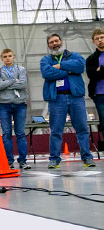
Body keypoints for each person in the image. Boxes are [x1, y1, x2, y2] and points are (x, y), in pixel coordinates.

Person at [40, 33, 95, 168]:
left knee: (82, 128)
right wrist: (68, 71)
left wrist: (59, 66)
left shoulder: (75, 55)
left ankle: (87, 157)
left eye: (56, 41)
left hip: (75, 97)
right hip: (57, 98)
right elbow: (46, 73)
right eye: (51, 42)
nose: (55, 44)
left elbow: (80, 67)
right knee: (56, 130)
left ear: (61, 41)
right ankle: (54, 159)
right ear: (49, 45)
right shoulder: (45, 60)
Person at [0, 49, 30, 170]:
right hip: (4, 105)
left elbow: (23, 84)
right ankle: (8, 161)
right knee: (7, 133)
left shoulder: (21, 70)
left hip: (20, 104)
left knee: (20, 133)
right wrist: (14, 80)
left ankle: (23, 161)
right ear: (2, 59)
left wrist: (6, 83)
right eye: (5, 56)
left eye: (10, 56)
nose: (7, 58)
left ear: (13, 57)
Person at [86, 28, 104, 150]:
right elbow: (91, 75)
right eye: (97, 39)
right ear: (93, 42)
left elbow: (97, 73)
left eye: (102, 37)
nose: (100, 40)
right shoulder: (91, 59)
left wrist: (100, 70)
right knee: (103, 122)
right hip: (99, 94)